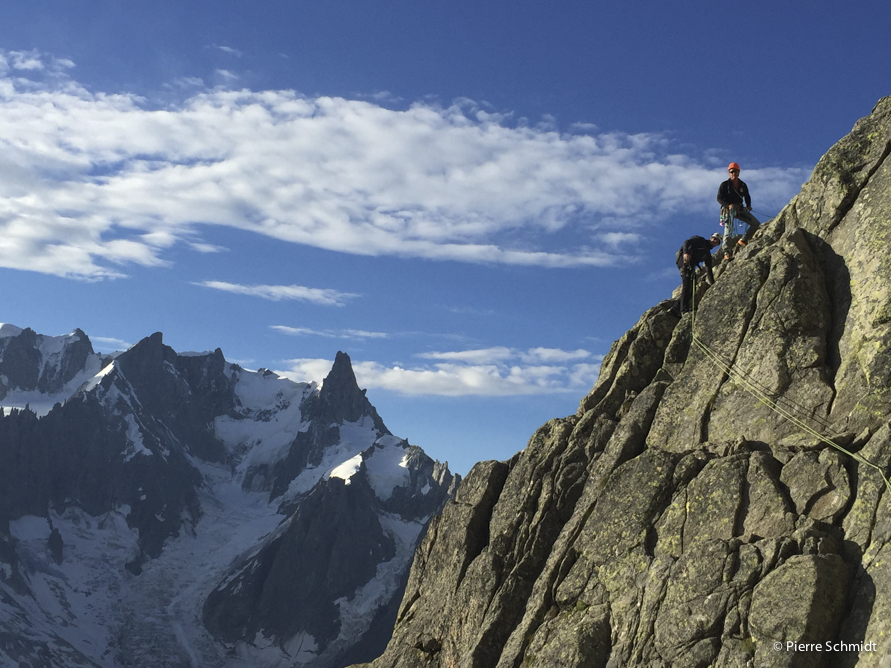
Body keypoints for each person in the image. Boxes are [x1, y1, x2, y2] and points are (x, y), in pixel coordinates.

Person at [717, 162, 760, 259]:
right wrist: (728, 205)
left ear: (738, 172)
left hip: (740, 209)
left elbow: (747, 195)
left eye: (735, 171)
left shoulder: (743, 185)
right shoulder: (724, 185)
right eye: (731, 172)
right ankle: (727, 252)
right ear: (729, 173)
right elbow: (719, 198)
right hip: (728, 210)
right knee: (728, 230)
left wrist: (748, 205)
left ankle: (743, 240)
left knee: (755, 223)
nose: (733, 173)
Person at [675, 233, 720, 314]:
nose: (714, 241)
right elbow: (687, 242)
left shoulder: (707, 255)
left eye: (717, 241)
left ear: (717, 244)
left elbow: (708, 270)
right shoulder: (701, 240)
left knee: (692, 288)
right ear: (710, 238)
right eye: (714, 238)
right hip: (684, 261)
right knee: (687, 285)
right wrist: (686, 253)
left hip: (690, 266)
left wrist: (713, 284)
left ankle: (676, 308)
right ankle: (683, 309)